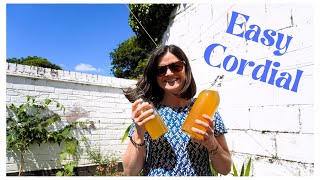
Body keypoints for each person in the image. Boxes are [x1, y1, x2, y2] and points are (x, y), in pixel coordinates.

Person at [122, 44, 232, 176]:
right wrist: (138, 134)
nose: (169, 73)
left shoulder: (206, 110)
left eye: (176, 66)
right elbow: (129, 172)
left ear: (185, 69)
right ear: (156, 76)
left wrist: (211, 143)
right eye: (161, 70)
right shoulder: (148, 111)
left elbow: (225, 169)